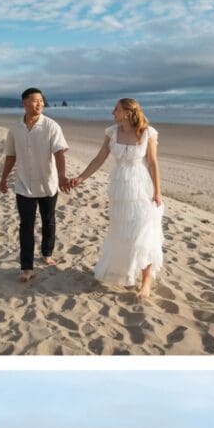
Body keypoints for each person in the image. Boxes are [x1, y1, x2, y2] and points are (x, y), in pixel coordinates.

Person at [70, 98, 163, 299]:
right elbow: (98, 159)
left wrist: (157, 191)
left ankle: (146, 281)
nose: (113, 112)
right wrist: (81, 178)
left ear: (128, 113)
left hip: (142, 188)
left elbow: (153, 163)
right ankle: (125, 270)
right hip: (120, 189)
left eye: (117, 109)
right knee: (123, 232)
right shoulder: (112, 132)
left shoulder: (147, 133)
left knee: (143, 232)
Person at [0, 88, 70, 283]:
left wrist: (62, 176)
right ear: (24, 102)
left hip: (48, 183)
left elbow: (59, 153)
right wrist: (4, 178)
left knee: (48, 220)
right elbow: (11, 155)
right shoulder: (15, 129)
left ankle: (47, 253)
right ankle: (27, 267)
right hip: (23, 184)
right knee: (26, 226)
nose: (39, 104)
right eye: (34, 100)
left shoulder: (51, 126)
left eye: (41, 101)